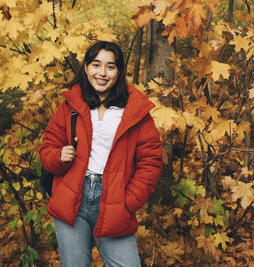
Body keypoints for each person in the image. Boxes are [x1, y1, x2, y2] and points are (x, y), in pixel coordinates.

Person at [39, 41, 162, 266]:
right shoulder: (71, 105)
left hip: (116, 200)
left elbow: (151, 162)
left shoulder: (135, 110)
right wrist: (59, 156)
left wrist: (129, 201)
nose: (102, 73)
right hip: (72, 200)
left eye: (110, 67)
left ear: (119, 71)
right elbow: (47, 149)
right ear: (86, 68)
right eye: (96, 65)